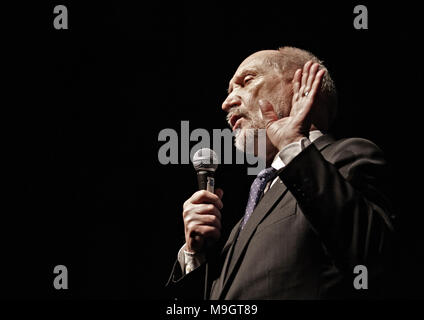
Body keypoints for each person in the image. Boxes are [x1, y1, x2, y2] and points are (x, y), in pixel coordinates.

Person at [166, 47, 395, 299]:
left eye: (246, 81)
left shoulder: (348, 156)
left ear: (300, 84)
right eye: (230, 90)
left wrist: (293, 146)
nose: (226, 103)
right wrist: (194, 254)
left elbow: (375, 257)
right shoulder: (242, 222)